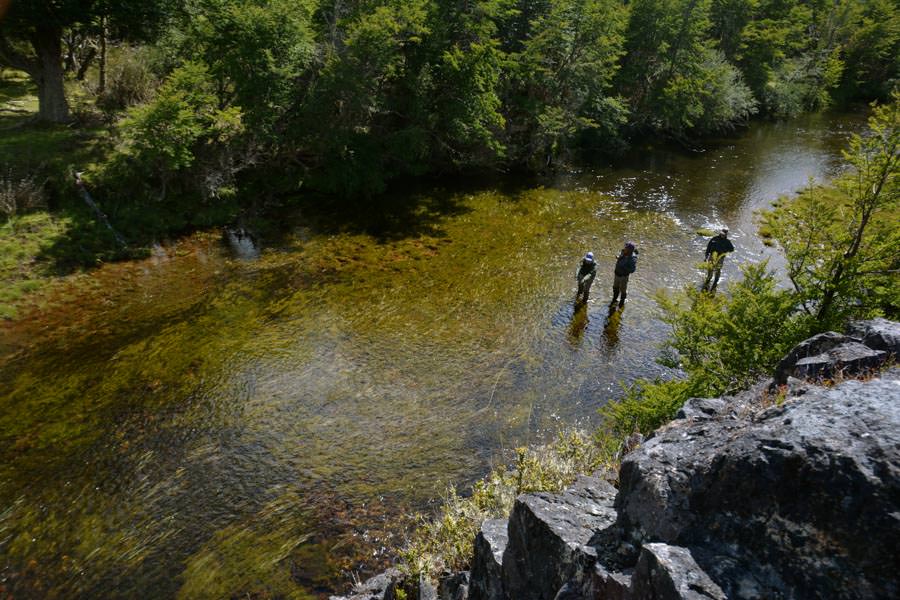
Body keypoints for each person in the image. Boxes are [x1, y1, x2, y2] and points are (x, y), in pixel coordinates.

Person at [611, 242, 638, 307]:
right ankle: (614, 299)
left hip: (623, 277)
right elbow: (621, 256)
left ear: (629, 250)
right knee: (615, 287)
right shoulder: (623, 252)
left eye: (626, 247)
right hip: (617, 273)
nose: (624, 248)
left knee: (623, 289)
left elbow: (632, 270)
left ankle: (622, 302)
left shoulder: (632, 259)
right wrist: (618, 257)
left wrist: (624, 267)